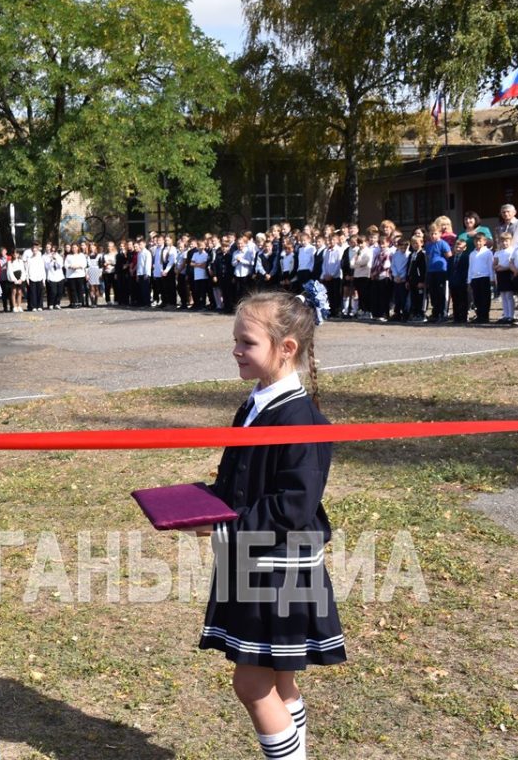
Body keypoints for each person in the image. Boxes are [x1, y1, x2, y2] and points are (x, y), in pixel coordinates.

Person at [195, 290, 345, 760]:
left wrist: (226, 524)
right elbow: (240, 476)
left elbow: (293, 507)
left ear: (286, 348)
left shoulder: (302, 420)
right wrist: (199, 502)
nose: (236, 350)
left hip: (278, 571)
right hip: (254, 560)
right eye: (235, 340)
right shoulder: (256, 403)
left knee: (253, 685)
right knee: (280, 678)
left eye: (247, 342)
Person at [467, 233, 493, 324]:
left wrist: (492, 278)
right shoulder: (472, 254)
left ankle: (485, 316)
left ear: (484, 241)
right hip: (475, 278)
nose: (478, 243)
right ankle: (479, 316)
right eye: (476, 241)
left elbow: (490, 266)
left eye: (480, 241)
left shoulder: (488, 252)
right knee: (477, 298)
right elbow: (470, 267)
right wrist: (469, 280)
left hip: (484, 277)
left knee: (485, 298)